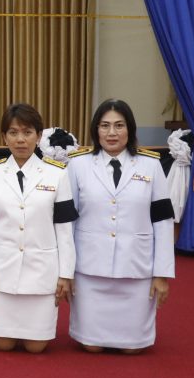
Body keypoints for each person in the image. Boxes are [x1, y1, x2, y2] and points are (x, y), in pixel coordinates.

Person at [67, 99, 174, 353]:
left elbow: (163, 220)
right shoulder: (78, 165)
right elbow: (67, 221)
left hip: (135, 268)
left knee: (133, 349)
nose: (112, 133)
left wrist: (162, 274)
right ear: (95, 130)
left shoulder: (151, 165)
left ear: (130, 129)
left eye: (119, 125)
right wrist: (66, 270)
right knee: (91, 347)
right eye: (104, 126)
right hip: (89, 269)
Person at [0, 103, 78, 353]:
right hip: (2, 270)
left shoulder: (58, 175)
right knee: (3, 344)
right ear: (4, 137)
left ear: (39, 136)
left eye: (27, 132)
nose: (20, 139)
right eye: (13, 132)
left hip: (42, 272)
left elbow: (65, 229)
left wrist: (66, 274)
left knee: (36, 347)